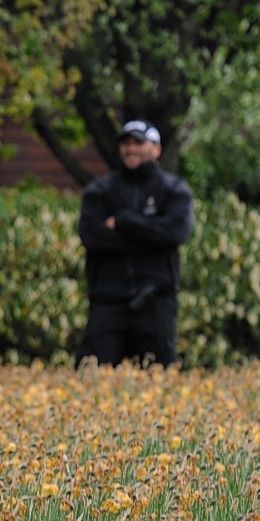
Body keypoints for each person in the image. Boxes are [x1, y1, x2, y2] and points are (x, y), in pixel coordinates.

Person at [76, 119, 194, 367]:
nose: (131, 149)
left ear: (156, 149)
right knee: (91, 373)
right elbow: (91, 235)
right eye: (126, 144)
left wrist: (123, 221)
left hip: (156, 301)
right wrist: (150, 238)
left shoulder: (174, 190)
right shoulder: (100, 190)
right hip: (108, 300)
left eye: (138, 143)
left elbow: (175, 233)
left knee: (160, 380)